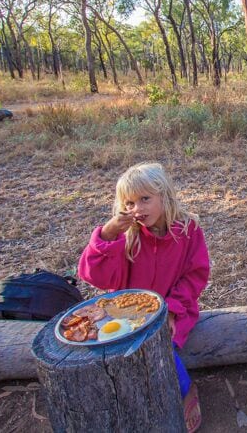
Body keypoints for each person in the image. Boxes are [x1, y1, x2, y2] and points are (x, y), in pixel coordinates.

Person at [79, 162, 210, 432]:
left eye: (145, 199)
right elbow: (93, 276)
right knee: (115, 352)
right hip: (125, 313)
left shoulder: (187, 231)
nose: (137, 208)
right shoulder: (127, 236)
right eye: (129, 203)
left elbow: (195, 276)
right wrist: (107, 235)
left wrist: (172, 309)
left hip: (174, 309)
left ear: (165, 195)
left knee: (161, 345)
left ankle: (186, 390)